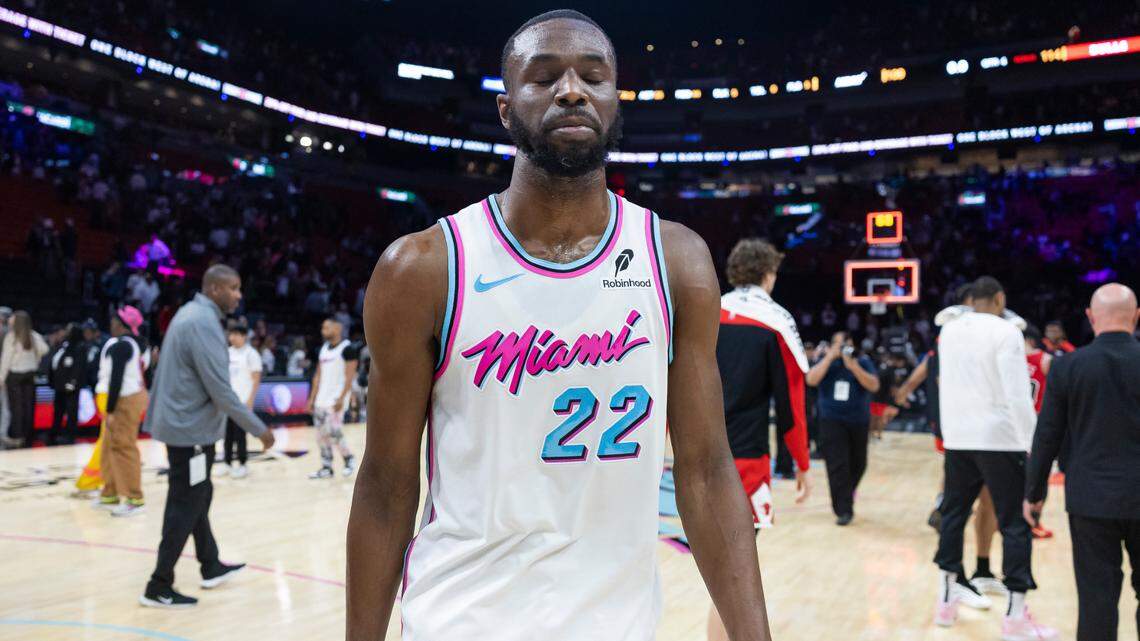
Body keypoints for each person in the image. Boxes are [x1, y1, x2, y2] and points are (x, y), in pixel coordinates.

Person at [347, 10, 775, 640]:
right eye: (543, 76)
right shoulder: (424, 268)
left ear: (614, 99)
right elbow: (385, 485)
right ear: (505, 108)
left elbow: (708, 472)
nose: (571, 90)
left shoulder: (676, 260)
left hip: (619, 624)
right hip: (461, 620)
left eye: (592, 77)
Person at [139, 264, 274, 609]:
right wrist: (259, 429)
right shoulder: (202, 323)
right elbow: (221, 390)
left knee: (199, 494)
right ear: (214, 288)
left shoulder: (190, 314)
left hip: (184, 426)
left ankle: (210, 564)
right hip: (191, 432)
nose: (239, 295)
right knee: (185, 502)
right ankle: (159, 583)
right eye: (233, 287)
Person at [933, 276, 1057, 639]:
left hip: (958, 437)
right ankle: (1016, 617)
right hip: (1000, 439)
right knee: (1016, 524)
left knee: (953, 515)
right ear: (1000, 298)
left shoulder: (949, 331)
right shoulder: (1006, 333)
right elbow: (1017, 395)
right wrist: (1033, 443)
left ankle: (944, 602)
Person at [1025, 283, 1140, 641]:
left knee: (1096, 600)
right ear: (1136, 317)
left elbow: (1047, 435)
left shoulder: (1068, 367)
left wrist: (1034, 492)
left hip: (1090, 500)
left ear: (1091, 318)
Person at [711, 238, 812, 640]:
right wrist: (802, 463)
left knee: (725, 574)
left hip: (696, 456)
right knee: (734, 579)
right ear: (769, 274)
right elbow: (791, 406)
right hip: (745, 463)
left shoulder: (705, 310)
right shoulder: (776, 323)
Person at [806, 331, 879, 525]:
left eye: (844, 344)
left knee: (859, 463)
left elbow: (873, 385)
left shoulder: (862, 362)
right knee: (837, 465)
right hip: (831, 420)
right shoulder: (825, 362)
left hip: (858, 421)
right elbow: (811, 380)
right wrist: (829, 357)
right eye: (837, 344)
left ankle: (845, 493)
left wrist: (853, 366)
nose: (841, 348)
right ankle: (843, 509)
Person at [93, 306, 149, 517]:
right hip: (121, 399)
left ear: (123, 325)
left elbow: (116, 379)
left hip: (124, 401)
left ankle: (135, 498)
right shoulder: (122, 344)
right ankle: (110, 492)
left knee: (124, 447)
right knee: (109, 446)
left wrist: (110, 409)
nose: (111, 324)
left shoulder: (123, 346)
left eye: (115, 321)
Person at [306, 318, 357, 479]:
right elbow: (317, 376)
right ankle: (326, 467)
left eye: (327, 327)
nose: (323, 330)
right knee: (320, 435)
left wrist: (342, 398)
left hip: (336, 399)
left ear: (338, 327)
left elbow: (350, 377)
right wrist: (312, 399)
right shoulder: (323, 349)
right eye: (322, 328)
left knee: (335, 432)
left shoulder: (347, 348)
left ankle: (349, 459)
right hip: (321, 398)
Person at [1022, 325, 1055, 540]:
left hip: (1014, 427)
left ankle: (1012, 519)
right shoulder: (1045, 360)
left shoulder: (1009, 359)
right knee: (1039, 478)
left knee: (1016, 477)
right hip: (1037, 427)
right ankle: (1033, 521)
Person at [0, 311, 49, 448]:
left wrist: (1, 378)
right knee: (29, 407)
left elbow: (6, 360)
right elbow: (45, 349)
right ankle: (28, 437)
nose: (10, 319)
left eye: (12, 318)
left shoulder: (12, 336)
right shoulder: (33, 335)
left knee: (16, 408)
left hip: (15, 376)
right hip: (30, 375)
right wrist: (35, 358)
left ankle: (17, 436)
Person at [221, 324, 262, 479]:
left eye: (235, 334)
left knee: (240, 435)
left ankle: (243, 464)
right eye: (230, 334)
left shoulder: (251, 354)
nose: (231, 337)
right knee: (227, 434)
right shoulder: (227, 352)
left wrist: (250, 400)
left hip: (242, 401)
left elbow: (256, 379)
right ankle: (227, 463)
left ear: (244, 336)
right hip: (228, 400)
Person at [49, 324, 87, 445]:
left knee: (71, 410)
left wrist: (72, 382)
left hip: (70, 385)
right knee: (58, 410)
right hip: (59, 384)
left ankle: (70, 435)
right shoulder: (64, 345)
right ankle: (55, 433)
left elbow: (78, 367)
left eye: (69, 330)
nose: (66, 332)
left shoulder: (80, 347)